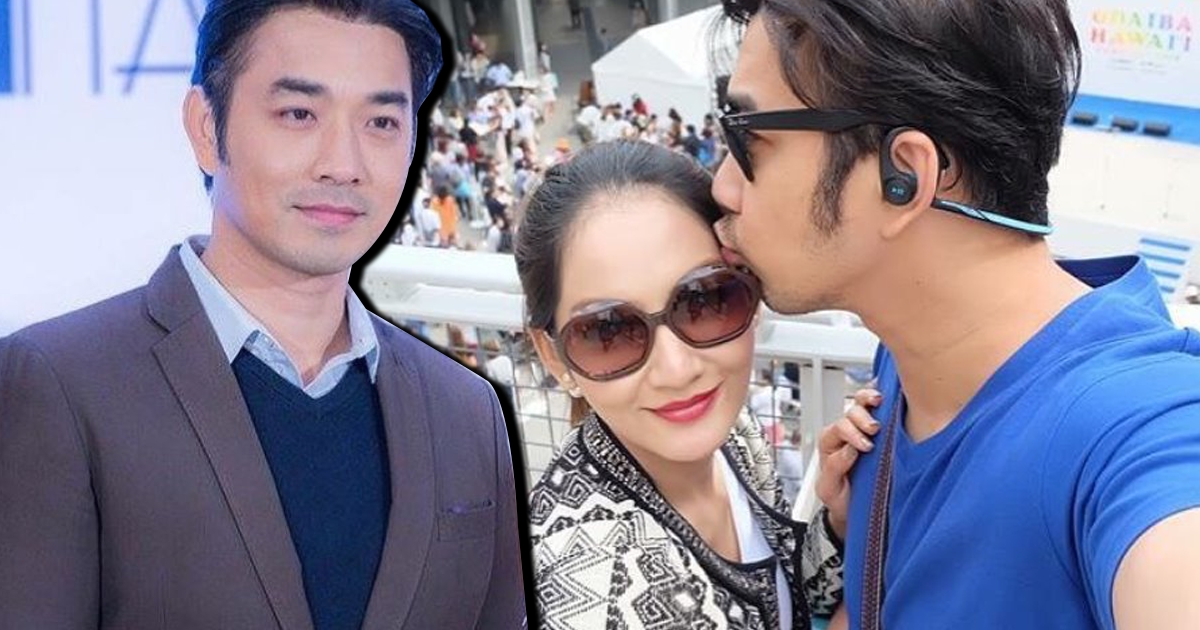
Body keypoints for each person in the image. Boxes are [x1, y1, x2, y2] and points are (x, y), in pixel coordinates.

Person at [0, 1, 526, 628]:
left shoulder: (466, 408)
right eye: (299, 114)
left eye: (382, 122)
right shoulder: (60, 383)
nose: (344, 164)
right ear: (205, 128)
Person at [711, 1, 1200, 628]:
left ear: (904, 176)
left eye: (748, 139)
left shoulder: (1137, 430)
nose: (722, 185)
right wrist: (848, 530)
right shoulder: (906, 363)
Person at [517, 140, 872, 628]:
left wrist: (839, 523)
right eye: (607, 331)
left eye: (704, 300)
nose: (677, 370)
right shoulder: (600, 589)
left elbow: (778, 596)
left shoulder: (733, 435)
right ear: (552, 354)